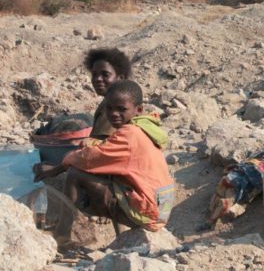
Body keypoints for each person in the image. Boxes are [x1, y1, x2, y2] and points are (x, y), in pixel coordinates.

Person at [33, 80, 175, 249]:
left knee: (75, 174)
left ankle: (61, 238)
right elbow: (109, 149)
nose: (114, 114)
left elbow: (90, 158)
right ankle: (111, 233)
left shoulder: (129, 134)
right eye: (109, 108)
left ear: (139, 110)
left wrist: (56, 168)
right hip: (161, 206)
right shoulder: (144, 128)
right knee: (103, 172)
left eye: (121, 109)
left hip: (147, 212)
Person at [83, 48, 132, 140]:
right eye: (94, 74)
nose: (98, 79)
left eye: (105, 74)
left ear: (120, 78)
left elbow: (99, 144)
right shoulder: (109, 101)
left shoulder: (114, 107)